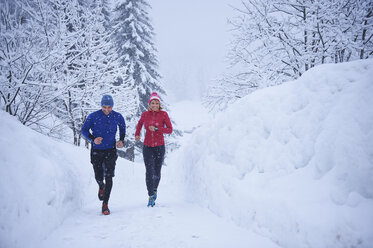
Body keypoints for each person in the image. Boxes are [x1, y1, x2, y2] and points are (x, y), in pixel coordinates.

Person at [81, 94, 126, 215]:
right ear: (101, 106)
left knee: (109, 176)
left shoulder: (117, 116)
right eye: (105, 107)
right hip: (96, 150)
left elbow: (122, 127)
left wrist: (121, 140)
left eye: (109, 107)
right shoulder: (93, 116)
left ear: (112, 106)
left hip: (110, 150)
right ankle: (101, 185)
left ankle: (105, 204)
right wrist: (93, 139)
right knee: (98, 175)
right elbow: (84, 131)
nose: (107, 109)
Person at [135, 92, 173, 207]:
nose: (155, 105)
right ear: (149, 104)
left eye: (157, 103)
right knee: (149, 171)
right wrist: (137, 134)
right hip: (147, 146)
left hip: (159, 147)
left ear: (159, 104)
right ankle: (151, 195)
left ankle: (155, 189)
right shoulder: (145, 114)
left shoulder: (164, 114)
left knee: (157, 171)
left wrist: (157, 128)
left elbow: (170, 130)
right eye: (153, 103)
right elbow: (139, 124)